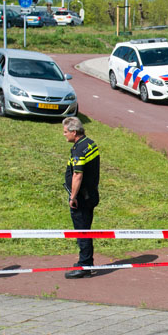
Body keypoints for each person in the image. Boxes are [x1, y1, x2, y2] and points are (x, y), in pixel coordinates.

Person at [62, 116, 100, 279]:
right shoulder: (90, 144)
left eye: (65, 132)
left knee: (82, 232)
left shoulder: (78, 150)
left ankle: (84, 266)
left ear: (74, 132)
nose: (64, 135)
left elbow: (77, 175)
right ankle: (85, 262)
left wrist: (73, 197)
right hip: (91, 194)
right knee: (85, 230)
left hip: (82, 198)